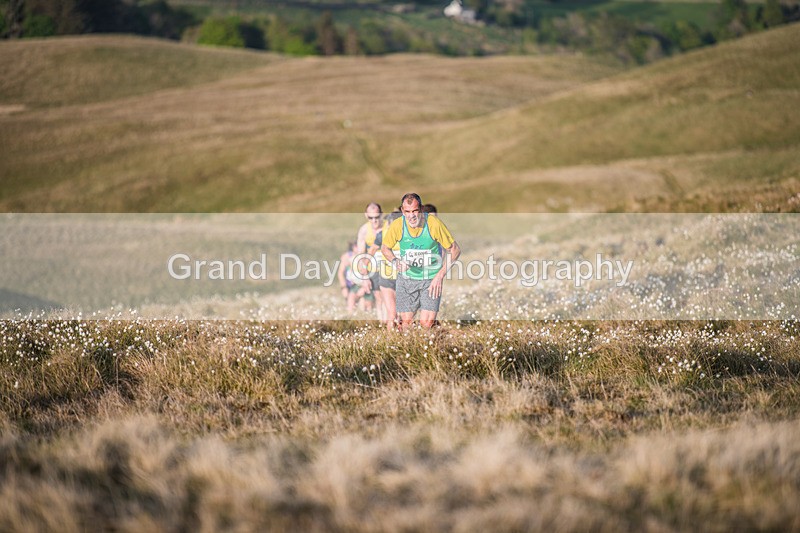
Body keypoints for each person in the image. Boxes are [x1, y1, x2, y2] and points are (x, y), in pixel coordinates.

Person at [380, 193, 460, 330]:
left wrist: (439, 276)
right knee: (406, 323)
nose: (412, 216)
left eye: (415, 211)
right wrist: (396, 261)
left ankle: (433, 343)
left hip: (430, 279)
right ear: (402, 212)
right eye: (407, 212)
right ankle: (408, 349)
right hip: (406, 279)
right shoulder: (397, 225)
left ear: (421, 209)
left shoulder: (433, 224)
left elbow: (455, 250)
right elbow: (385, 248)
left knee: (426, 323)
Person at [356, 202, 384, 320]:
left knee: (391, 297)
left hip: (389, 268)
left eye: (377, 217)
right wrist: (364, 277)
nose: (374, 221)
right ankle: (384, 324)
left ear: (381, 215)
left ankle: (393, 323)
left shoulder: (388, 226)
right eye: (371, 218)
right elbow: (361, 256)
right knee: (379, 298)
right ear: (366, 215)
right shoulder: (364, 230)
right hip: (373, 268)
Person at [376, 209, 402, 331]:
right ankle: (390, 340)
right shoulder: (381, 235)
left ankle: (401, 340)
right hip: (386, 278)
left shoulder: (406, 236)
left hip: (402, 279)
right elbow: (370, 252)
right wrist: (364, 269)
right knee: (392, 313)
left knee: (401, 315)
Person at [337, 241, 373, 314]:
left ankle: (364, 316)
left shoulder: (367, 258)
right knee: (351, 299)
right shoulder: (348, 257)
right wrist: (343, 287)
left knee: (365, 304)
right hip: (353, 284)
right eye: (356, 246)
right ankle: (351, 316)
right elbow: (341, 272)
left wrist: (363, 287)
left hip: (365, 284)